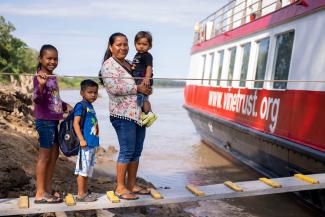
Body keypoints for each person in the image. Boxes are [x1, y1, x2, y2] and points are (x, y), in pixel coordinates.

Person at [99, 32, 152, 200]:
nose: (123, 48)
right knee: (127, 151)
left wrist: (147, 96)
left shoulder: (131, 63)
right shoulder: (108, 66)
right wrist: (138, 89)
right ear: (111, 47)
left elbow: (143, 82)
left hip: (138, 113)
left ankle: (131, 185)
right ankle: (120, 188)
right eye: (119, 44)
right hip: (122, 115)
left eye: (125, 44)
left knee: (137, 151)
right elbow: (113, 88)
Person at [33, 44, 72, 203]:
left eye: (55, 59)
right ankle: (40, 193)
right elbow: (37, 99)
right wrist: (41, 86)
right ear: (41, 59)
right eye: (49, 58)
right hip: (45, 121)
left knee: (54, 155)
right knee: (44, 157)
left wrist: (66, 106)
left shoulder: (52, 77)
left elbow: (54, 99)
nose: (52, 61)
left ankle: (47, 189)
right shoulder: (39, 77)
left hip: (54, 121)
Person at [73, 79, 99, 202]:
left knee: (88, 170)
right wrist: (82, 139)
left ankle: (84, 191)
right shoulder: (81, 105)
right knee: (82, 170)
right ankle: (80, 194)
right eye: (90, 92)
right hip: (85, 144)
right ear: (82, 93)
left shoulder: (90, 106)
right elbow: (76, 123)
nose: (93, 95)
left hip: (92, 144)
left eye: (95, 92)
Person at [132, 31, 157, 127]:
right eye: (139, 44)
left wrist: (147, 78)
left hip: (144, 79)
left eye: (144, 44)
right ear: (135, 44)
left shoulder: (147, 55)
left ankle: (149, 113)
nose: (141, 46)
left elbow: (149, 67)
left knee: (144, 98)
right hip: (138, 79)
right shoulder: (137, 55)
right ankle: (144, 113)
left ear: (150, 46)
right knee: (140, 97)